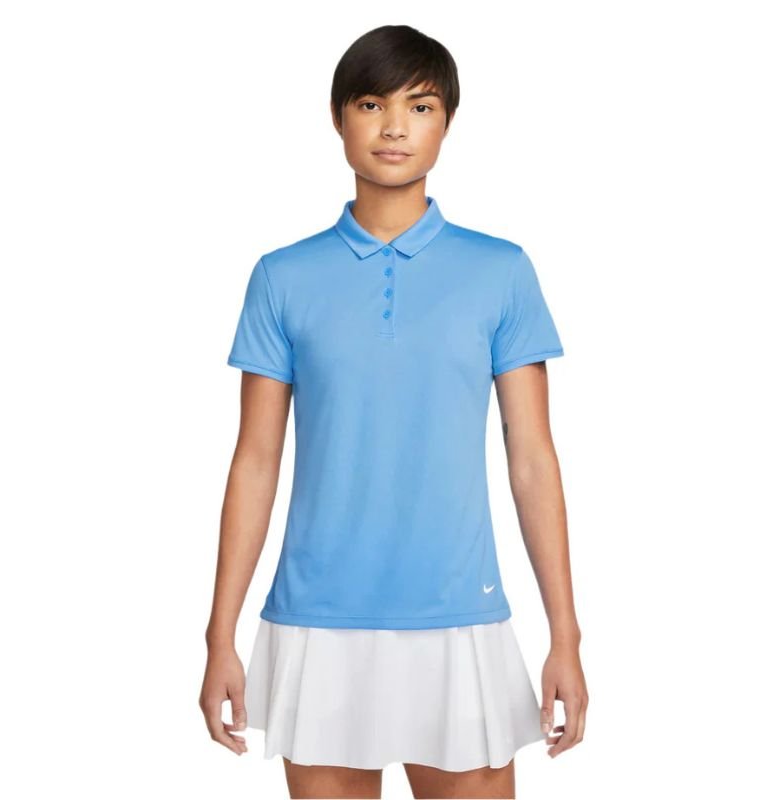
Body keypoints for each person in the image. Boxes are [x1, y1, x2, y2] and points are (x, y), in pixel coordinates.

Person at [200, 24, 587, 800]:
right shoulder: (282, 277)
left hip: (459, 614)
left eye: (421, 106)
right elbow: (256, 460)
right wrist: (219, 635)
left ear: (448, 122)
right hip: (316, 620)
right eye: (372, 104)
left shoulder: (501, 271)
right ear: (339, 117)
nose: (395, 127)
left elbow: (532, 459)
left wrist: (565, 637)